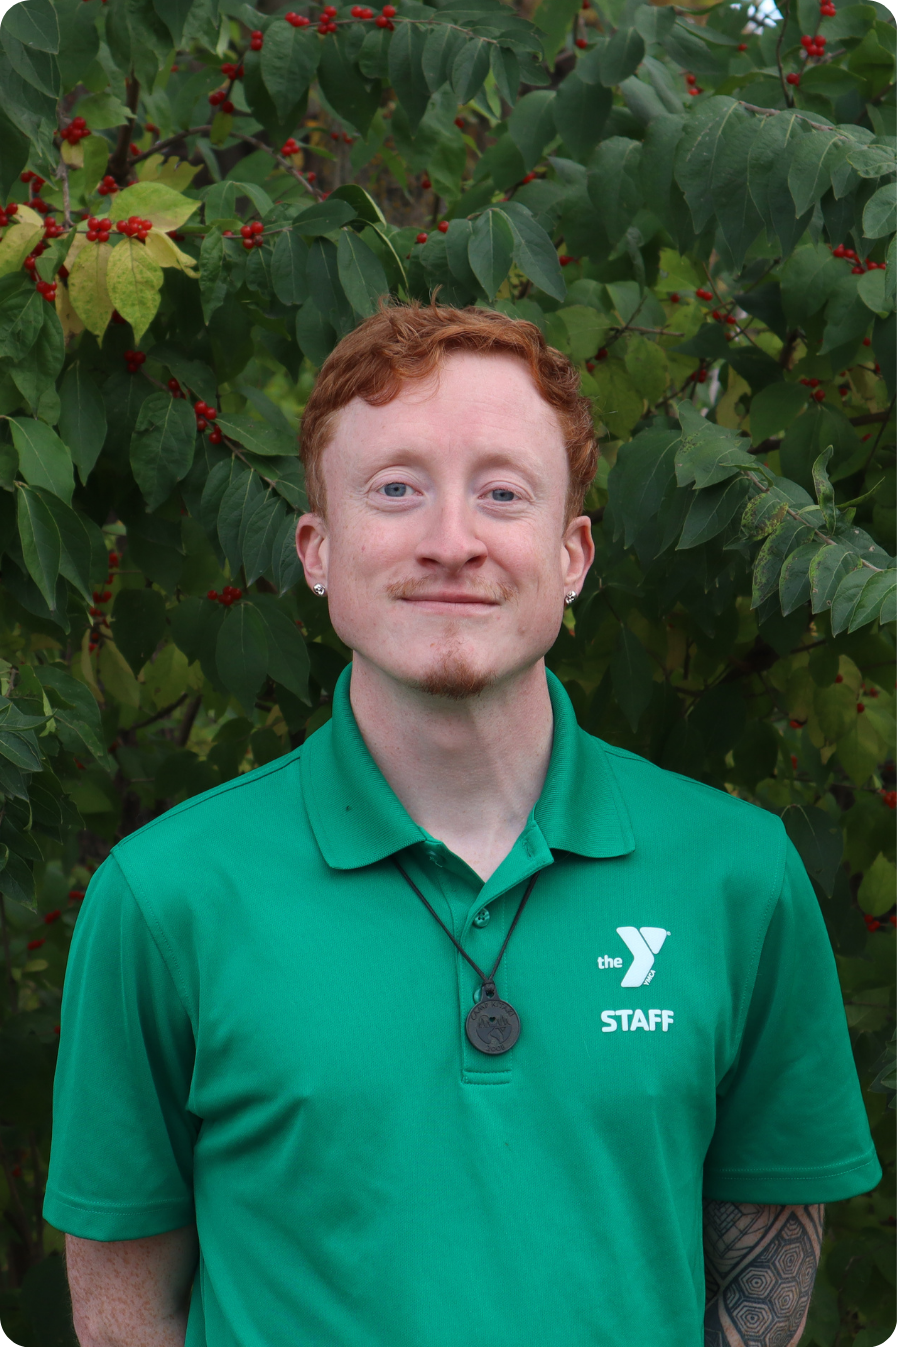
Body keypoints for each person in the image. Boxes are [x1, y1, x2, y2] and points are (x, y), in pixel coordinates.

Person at [46, 304, 880, 1349]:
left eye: (502, 493)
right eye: (396, 491)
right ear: (317, 549)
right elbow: (125, 1311)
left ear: (572, 556)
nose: (451, 542)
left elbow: (765, 1285)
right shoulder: (164, 898)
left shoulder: (737, 878)